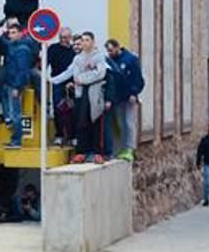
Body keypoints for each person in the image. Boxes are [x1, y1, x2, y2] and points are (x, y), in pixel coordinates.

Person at [52, 31, 107, 163]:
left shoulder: (99, 57)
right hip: (80, 94)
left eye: (87, 40)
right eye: (83, 40)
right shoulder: (77, 59)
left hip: (95, 94)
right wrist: (51, 79)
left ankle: (98, 152)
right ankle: (81, 152)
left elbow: (100, 74)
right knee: (81, 122)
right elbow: (72, 74)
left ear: (93, 42)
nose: (84, 42)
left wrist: (83, 79)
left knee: (96, 122)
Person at [104, 39, 145, 161]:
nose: (109, 53)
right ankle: (120, 148)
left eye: (111, 50)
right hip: (117, 97)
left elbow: (137, 78)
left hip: (129, 96)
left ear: (118, 47)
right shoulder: (110, 61)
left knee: (128, 122)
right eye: (108, 51)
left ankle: (129, 148)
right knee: (119, 123)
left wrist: (134, 93)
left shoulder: (131, 59)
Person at [3, 23, 34, 149]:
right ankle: (14, 138)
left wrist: (17, 86)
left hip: (15, 84)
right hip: (10, 82)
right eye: (9, 33)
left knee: (16, 113)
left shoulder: (22, 50)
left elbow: (22, 70)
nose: (11, 35)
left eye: (14, 32)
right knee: (12, 110)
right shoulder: (14, 46)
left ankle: (17, 141)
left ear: (21, 33)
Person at [48, 28, 76, 145]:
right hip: (57, 82)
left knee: (73, 111)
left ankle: (72, 136)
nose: (64, 40)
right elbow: (46, 63)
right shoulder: (53, 49)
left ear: (70, 38)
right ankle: (59, 135)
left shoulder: (74, 52)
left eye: (66, 38)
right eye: (62, 38)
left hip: (72, 83)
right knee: (57, 109)